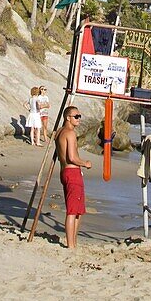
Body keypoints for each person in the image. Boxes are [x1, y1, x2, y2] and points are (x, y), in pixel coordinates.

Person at [55, 105, 91, 249]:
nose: (79, 119)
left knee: (78, 210)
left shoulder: (59, 132)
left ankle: (73, 243)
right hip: (72, 172)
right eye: (76, 116)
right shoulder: (70, 133)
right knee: (73, 211)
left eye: (79, 116)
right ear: (68, 118)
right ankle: (71, 245)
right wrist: (85, 163)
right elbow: (72, 157)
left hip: (64, 172)